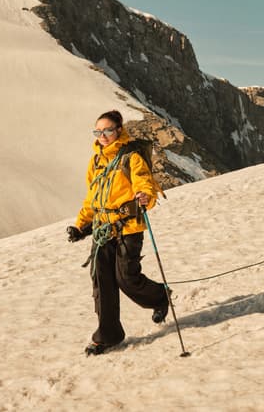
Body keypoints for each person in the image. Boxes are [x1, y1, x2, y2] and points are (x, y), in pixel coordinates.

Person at [66, 109, 169, 356]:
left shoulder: (131, 156)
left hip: (128, 227)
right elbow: (93, 197)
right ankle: (108, 335)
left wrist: (145, 195)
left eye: (107, 130)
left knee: (126, 278)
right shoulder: (96, 161)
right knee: (103, 283)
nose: (102, 135)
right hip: (103, 227)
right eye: (98, 131)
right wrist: (81, 225)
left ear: (119, 130)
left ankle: (159, 297)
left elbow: (143, 180)